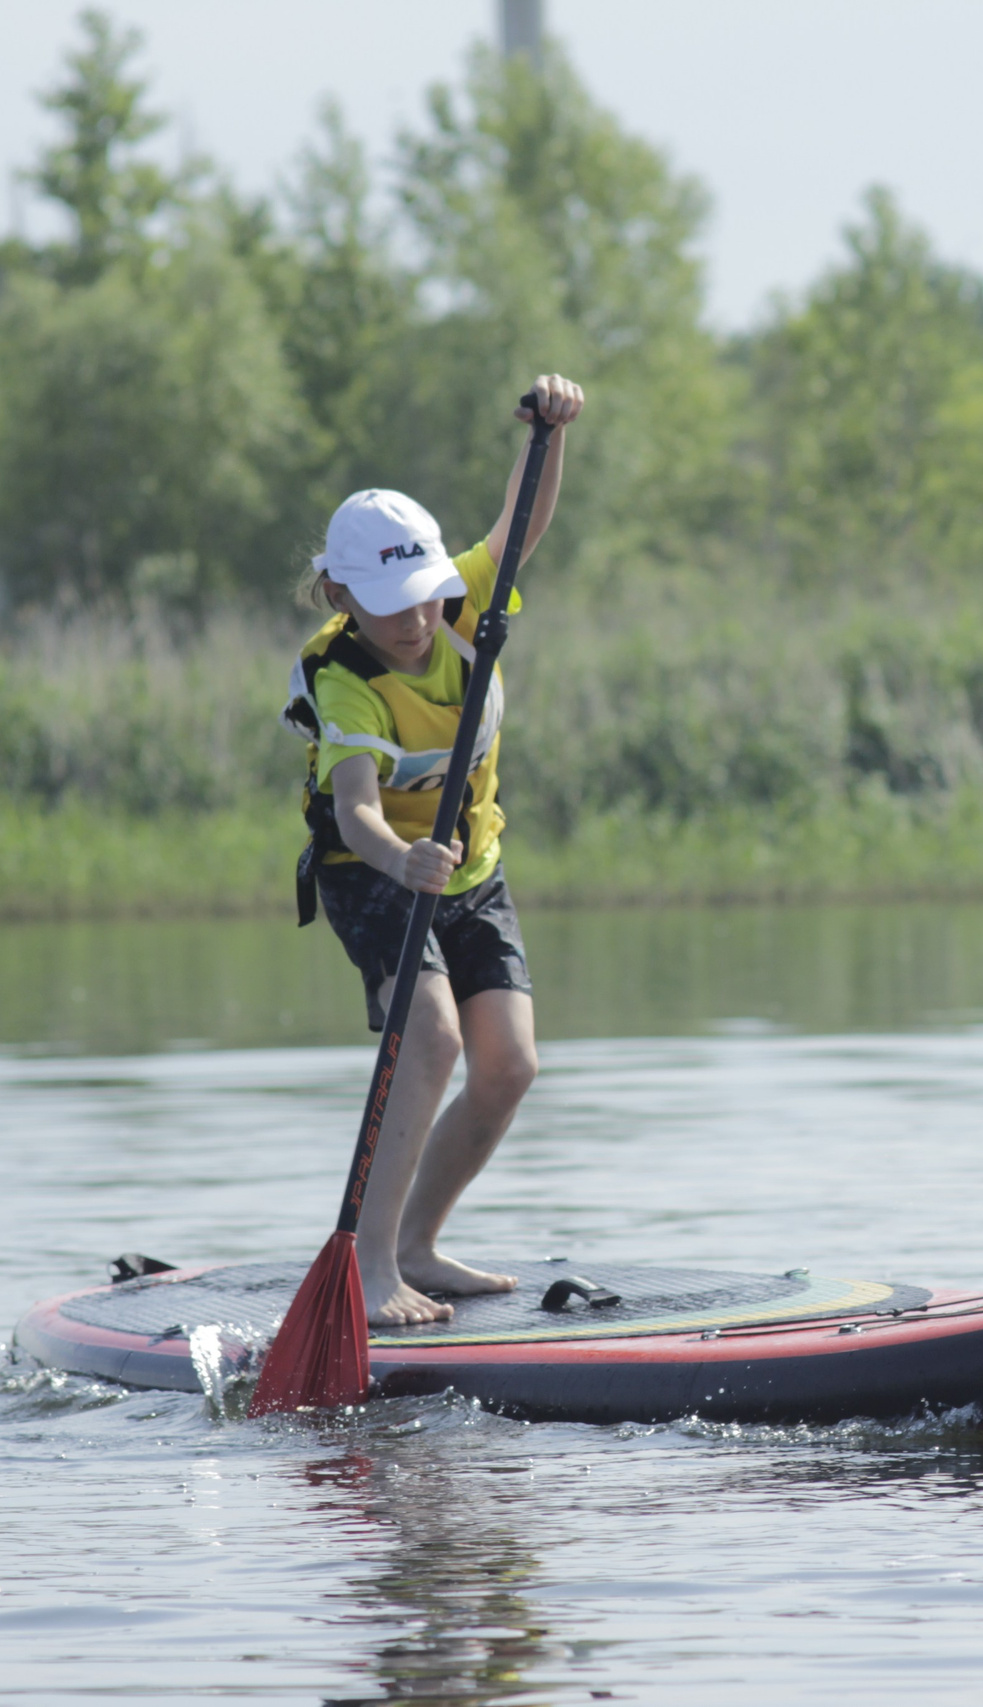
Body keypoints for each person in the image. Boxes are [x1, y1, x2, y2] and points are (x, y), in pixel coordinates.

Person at [281, 374, 585, 1326]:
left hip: (472, 866)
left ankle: (417, 1242)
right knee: (434, 1038)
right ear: (339, 592)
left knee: (509, 1064)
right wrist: (398, 859)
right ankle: (370, 1269)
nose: (414, 622)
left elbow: (521, 519)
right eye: (387, 605)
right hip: (372, 875)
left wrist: (552, 429)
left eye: (422, 598)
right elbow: (359, 812)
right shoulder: (347, 683)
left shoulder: (463, 602)